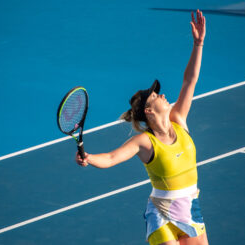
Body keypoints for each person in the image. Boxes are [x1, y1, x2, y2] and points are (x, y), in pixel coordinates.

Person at [76, 9, 207, 245]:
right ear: (149, 110)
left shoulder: (179, 120)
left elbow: (190, 80)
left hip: (189, 208)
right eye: (156, 95)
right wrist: (89, 157)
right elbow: (112, 157)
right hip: (161, 213)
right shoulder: (145, 142)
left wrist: (198, 45)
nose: (163, 95)